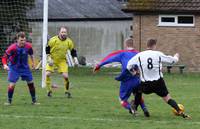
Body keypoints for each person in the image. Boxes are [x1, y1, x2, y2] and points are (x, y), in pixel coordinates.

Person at [127, 39, 191, 119]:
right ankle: (179, 111)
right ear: (154, 45)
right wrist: (176, 56)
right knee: (168, 99)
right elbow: (173, 61)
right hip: (158, 83)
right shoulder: (158, 54)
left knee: (137, 90)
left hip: (145, 84)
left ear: (147, 45)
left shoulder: (139, 55)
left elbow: (128, 65)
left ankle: (135, 106)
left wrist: (134, 72)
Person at [93, 38, 150, 117]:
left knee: (122, 99)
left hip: (127, 81)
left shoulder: (122, 54)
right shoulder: (138, 54)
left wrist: (99, 65)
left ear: (126, 45)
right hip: (137, 80)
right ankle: (145, 109)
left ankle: (131, 109)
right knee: (137, 95)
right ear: (134, 45)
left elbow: (110, 59)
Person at [2, 31, 39, 105]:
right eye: (21, 40)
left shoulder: (28, 46)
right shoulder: (12, 48)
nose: (23, 42)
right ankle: (9, 101)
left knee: (31, 83)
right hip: (14, 68)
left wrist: (33, 63)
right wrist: (5, 65)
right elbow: (4, 57)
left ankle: (34, 101)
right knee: (12, 84)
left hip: (25, 68)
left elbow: (31, 54)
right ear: (17, 40)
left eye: (24, 40)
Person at [45, 26, 78, 98]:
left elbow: (73, 51)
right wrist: (49, 57)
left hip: (62, 61)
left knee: (65, 76)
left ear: (67, 33)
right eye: (62, 32)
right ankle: (49, 91)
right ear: (59, 33)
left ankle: (67, 91)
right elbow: (47, 48)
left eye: (65, 32)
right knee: (47, 74)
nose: (64, 33)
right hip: (52, 59)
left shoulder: (69, 41)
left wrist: (75, 59)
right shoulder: (53, 40)